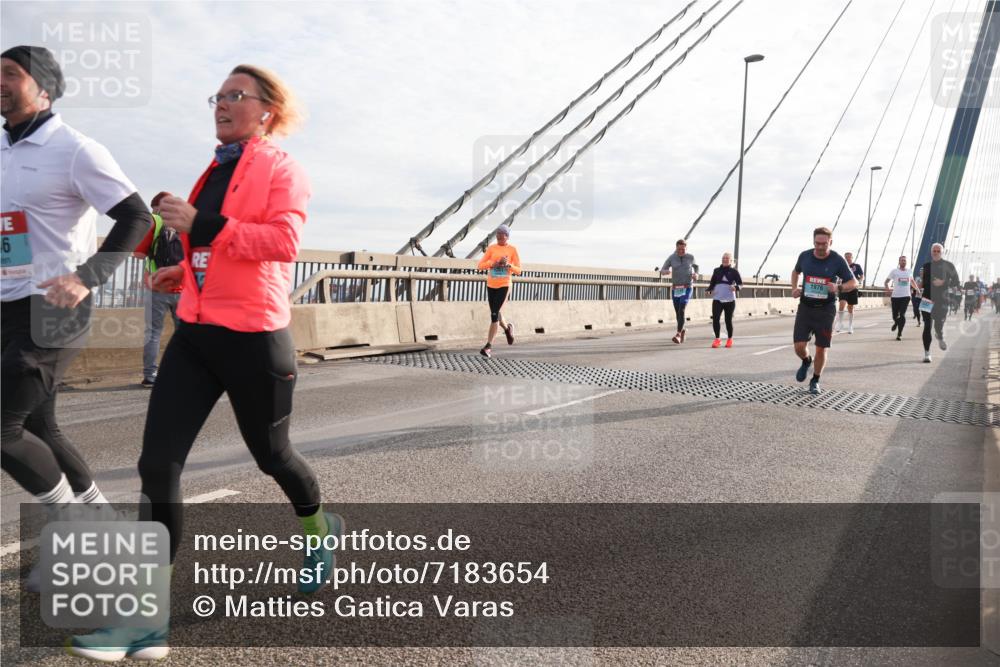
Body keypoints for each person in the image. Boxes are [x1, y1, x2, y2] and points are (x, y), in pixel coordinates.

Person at [69, 65, 340, 661]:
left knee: (274, 457)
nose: (220, 104)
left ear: (266, 109)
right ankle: (146, 621)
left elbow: (281, 244)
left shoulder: (283, 168)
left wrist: (203, 224)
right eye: (216, 96)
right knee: (156, 464)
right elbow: (212, 248)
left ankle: (319, 531)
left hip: (253, 339)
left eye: (234, 96)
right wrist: (182, 269)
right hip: (194, 333)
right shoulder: (215, 167)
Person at [1, 46, 149, 569]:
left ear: (44, 88)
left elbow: (137, 218)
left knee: (3, 427)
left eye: (10, 75)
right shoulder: (3, 150)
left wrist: (87, 279)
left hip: (55, 307)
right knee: (40, 428)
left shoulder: (75, 149)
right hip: (8, 307)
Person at [790, 227, 857, 394]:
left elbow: (854, 283)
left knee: (822, 347)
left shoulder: (837, 260)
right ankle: (806, 361)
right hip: (805, 307)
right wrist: (794, 288)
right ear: (813, 242)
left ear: (831, 242)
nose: (820, 247)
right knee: (799, 346)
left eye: (824, 244)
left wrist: (839, 286)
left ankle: (815, 380)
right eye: (817, 243)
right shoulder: (805, 256)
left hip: (826, 310)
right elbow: (795, 271)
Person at [132, 192, 183, 387]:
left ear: (155, 207)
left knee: (153, 332)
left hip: (156, 288)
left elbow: (137, 254)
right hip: (182, 289)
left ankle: (150, 376)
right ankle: (180, 372)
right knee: (183, 335)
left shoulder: (153, 222)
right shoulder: (184, 221)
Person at [476, 223, 520, 358]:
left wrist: (508, 265)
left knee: (494, 315)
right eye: (497, 237)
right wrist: (492, 264)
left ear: (507, 237)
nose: (499, 239)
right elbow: (480, 266)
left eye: (501, 237)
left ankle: (488, 347)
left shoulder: (512, 250)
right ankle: (508, 330)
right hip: (491, 285)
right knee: (496, 312)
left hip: (504, 285)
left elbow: (519, 270)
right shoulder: (491, 249)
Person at [918, 243, 960, 363]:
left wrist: (944, 282)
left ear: (942, 252)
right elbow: (924, 282)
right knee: (927, 326)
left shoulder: (948, 265)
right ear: (931, 252)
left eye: (938, 251)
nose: (935, 253)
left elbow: (956, 281)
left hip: (942, 300)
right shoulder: (926, 266)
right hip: (927, 299)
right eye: (934, 251)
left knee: (939, 324)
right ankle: (927, 353)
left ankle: (939, 335)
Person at [660, 239, 699, 344]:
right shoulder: (671, 258)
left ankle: (677, 334)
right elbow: (662, 269)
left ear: (686, 248)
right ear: (676, 248)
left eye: (683, 249)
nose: (681, 251)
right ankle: (683, 330)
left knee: (682, 308)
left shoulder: (691, 257)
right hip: (676, 288)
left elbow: (696, 267)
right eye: (679, 249)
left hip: (687, 286)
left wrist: (696, 274)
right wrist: (665, 272)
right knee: (678, 312)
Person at [707, 252, 742, 348]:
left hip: (730, 300)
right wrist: (709, 290)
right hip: (718, 298)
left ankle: (730, 339)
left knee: (728, 320)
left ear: (731, 261)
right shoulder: (716, 270)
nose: (725, 259)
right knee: (715, 319)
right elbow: (712, 283)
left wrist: (736, 287)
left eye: (727, 258)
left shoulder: (734, 271)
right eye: (723, 258)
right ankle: (717, 339)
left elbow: (740, 284)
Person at [883, 255, 918, 341]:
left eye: (905, 261)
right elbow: (886, 282)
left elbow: (912, 281)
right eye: (902, 260)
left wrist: (917, 289)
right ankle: (896, 322)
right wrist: (887, 288)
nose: (903, 262)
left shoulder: (909, 271)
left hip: (906, 296)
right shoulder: (894, 271)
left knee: (902, 315)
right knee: (895, 316)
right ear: (899, 262)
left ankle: (899, 333)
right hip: (895, 296)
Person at [836, 251, 864, 334]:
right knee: (842, 304)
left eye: (849, 257)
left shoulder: (857, 266)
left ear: (852, 257)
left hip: (853, 288)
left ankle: (850, 326)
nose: (848, 258)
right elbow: (837, 276)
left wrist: (860, 281)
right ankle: (840, 323)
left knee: (850, 308)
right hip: (844, 288)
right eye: (846, 257)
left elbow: (862, 276)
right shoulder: (841, 266)